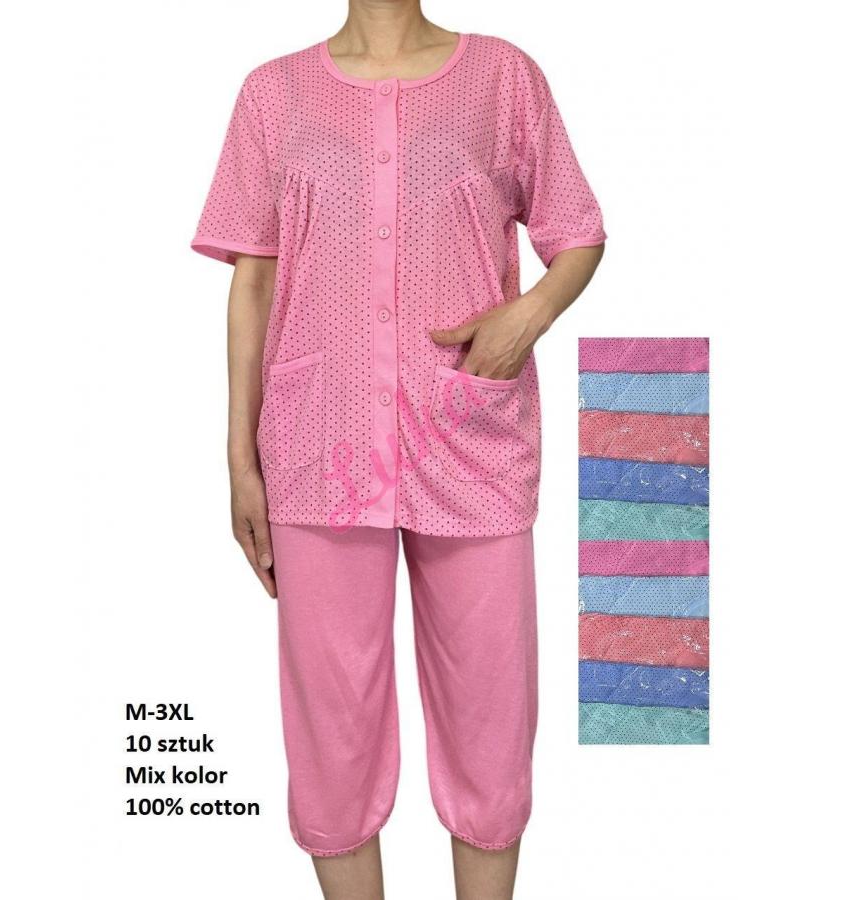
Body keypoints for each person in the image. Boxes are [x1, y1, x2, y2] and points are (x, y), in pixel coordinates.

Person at [190, 2, 605, 897]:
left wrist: (526, 317)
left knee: (491, 713)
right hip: (317, 442)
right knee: (331, 727)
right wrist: (238, 460)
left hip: (472, 439)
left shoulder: (502, 77)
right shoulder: (273, 94)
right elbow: (254, 280)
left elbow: (576, 231)